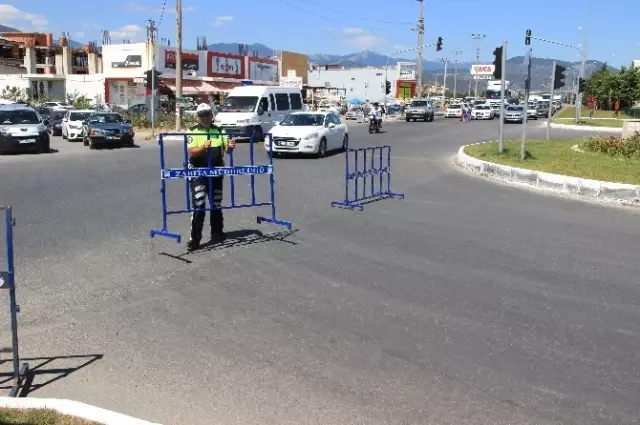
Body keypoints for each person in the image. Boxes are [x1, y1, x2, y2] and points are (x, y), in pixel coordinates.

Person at [185, 103, 236, 251]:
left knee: (216, 203)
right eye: (201, 115)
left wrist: (231, 146)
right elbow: (192, 152)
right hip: (198, 172)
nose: (205, 117)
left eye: (207, 114)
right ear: (198, 117)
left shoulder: (220, 129)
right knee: (199, 205)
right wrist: (203, 147)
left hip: (216, 171)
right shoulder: (193, 130)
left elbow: (227, 150)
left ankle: (217, 233)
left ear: (211, 114)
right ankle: (195, 240)